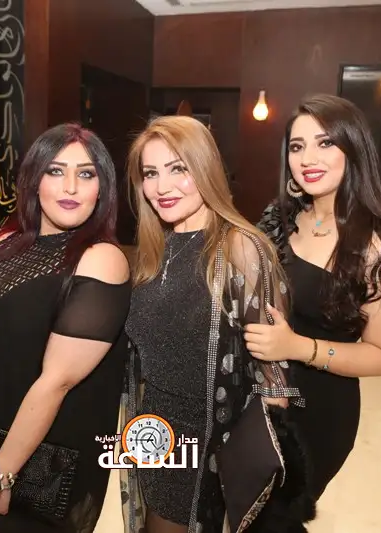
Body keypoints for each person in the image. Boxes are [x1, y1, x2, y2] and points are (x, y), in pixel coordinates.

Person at [121, 115, 315, 533]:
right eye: (150, 173)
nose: (162, 186)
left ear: (206, 168)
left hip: (209, 441)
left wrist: (252, 470)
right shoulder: (156, 249)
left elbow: (275, 376)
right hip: (154, 430)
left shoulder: (240, 248)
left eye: (178, 168)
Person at [250, 93, 381, 502]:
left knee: (274, 517)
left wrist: (296, 347)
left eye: (325, 143)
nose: (308, 158)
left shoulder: (380, 250)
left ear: (353, 149)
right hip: (251, 394)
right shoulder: (279, 217)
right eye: (297, 146)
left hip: (315, 413)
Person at [0, 123, 131, 533]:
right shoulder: (0, 243)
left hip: (39, 468)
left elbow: (55, 382)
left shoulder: (101, 259)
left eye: (86, 174)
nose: (71, 187)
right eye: (56, 171)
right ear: (34, 180)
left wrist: (0, 476)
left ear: (102, 189)